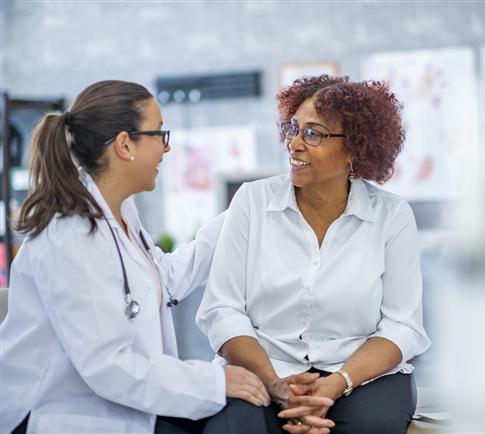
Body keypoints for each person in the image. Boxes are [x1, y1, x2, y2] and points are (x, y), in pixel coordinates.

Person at [0, 80, 270, 434]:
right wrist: (215, 381)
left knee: (241, 416)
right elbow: (109, 366)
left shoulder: (121, 211)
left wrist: (243, 213)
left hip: (116, 400)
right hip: (58, 413)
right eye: (159, 133)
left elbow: (164, 279)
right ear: (125, 144)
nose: (166, 147)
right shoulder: (69, 236)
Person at [197, 75, 431, 434]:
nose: (293, 143)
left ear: (356, 147)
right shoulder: (252, 201)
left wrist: (335, 385)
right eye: (294, 128)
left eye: (313, 133)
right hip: (264, 367)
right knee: (235, 428)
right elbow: (223, 310)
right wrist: (275, 384)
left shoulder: (391, 216)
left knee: (372, 425)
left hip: (358, 375)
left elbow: (402, 326)